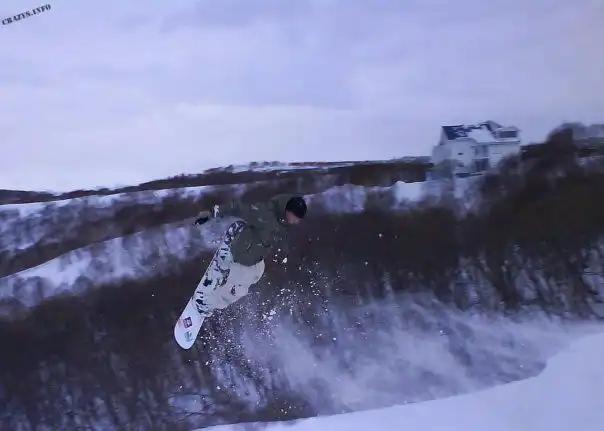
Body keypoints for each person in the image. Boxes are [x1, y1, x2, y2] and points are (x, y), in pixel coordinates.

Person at [192, 194, 307, 316]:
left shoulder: (282, 222)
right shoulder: (265, 215)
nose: (296, 222)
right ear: (289, 211)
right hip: (242, 257)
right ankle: (204, 304)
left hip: (255, 257)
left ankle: (227, 263)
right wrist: (212, 213)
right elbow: (239, 208)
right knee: (236, 291)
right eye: (296, 218)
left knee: (258, 272)